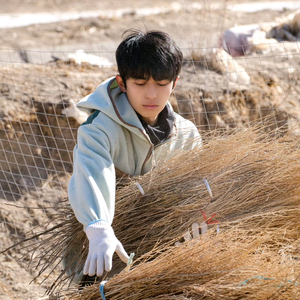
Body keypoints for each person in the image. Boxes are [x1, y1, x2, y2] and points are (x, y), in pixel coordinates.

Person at [68, 29, 201, 282]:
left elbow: (195, 187)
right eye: (140, 84)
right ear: (122, 83)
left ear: (175, 82)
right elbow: (92, 173)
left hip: (165, 245)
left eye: (162, 84)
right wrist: (98, 227)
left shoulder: (187, 135)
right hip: (107, 245)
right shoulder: (99, 128)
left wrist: (199, 217)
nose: (151, 94)